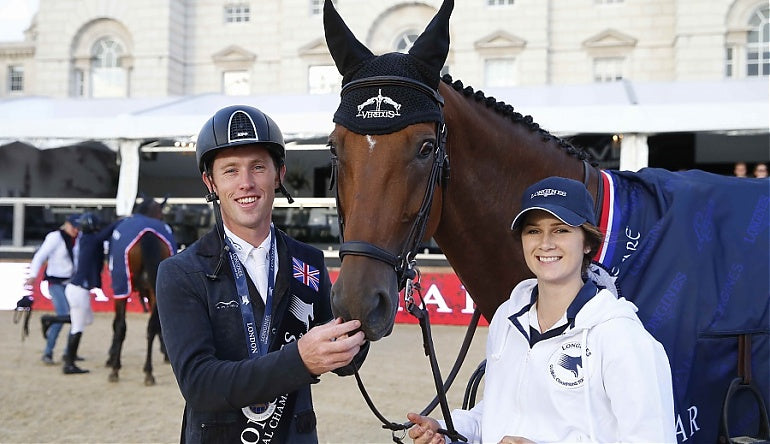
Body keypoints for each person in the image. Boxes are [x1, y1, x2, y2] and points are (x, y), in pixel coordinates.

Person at [156, 104, 367, 443]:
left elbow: (345, 362)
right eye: (230, 171)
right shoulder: (180, 273)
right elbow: (199, 385)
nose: (246, 183)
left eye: (258, 167)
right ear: (210, 181)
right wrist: (299, 360)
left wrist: (364, 307)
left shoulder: (308, 261)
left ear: (279, 174)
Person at [408, 177, 676, 443]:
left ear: (587, 243)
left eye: (561, 230)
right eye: (533, 231)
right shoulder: (507, 318)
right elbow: (495, 414)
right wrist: (445, 430)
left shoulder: (624, 338)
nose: (545, 243)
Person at [62, 212, 119, 374]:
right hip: (79, 289)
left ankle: (50, 320)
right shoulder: (90, 239)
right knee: (78, 327)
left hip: (77, 288)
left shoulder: (86, 239)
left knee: (86, 320)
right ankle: (69, 364)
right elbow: (105, 234)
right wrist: (120, 221)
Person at [26, 213, 80, 365]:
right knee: (63, 315)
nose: (76, 230)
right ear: (67, 224)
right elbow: (40, 256)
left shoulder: (78, 238)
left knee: (76, 316)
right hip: (56, 282)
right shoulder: (55, 237)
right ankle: (48, 352)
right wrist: (33, 275)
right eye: (74, 227)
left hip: (71, 282)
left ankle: (70, 351)